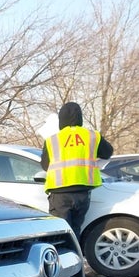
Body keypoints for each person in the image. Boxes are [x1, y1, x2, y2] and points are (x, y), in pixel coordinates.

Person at [40, 102, 113, 239]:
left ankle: (63, 258)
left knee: (60, 232)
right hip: (82, 192)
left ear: (61, 120)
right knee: (75, 230)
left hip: (59, 192)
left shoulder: (53, 139)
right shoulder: (92, 136)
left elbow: (45, 166)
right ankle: (75, 257)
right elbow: (107, 152)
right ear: (80, 118)